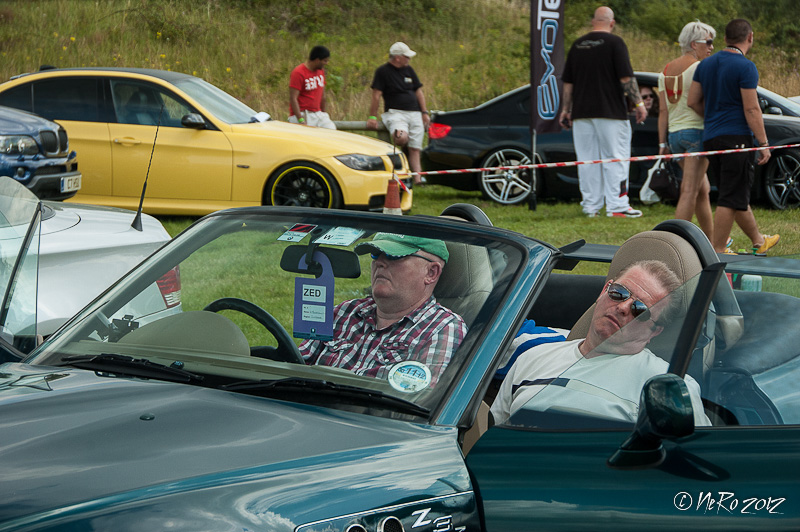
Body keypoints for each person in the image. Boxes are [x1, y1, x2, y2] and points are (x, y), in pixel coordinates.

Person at [490, 260, 710, 426]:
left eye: (640, 310)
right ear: (604, 290)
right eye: (619, 293)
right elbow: (492, 441)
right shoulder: (533, 357)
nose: (623, 308)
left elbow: (690, 461)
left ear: (655, 331)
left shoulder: (669, 388)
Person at [299, 233, 467, 388]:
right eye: (375, 255)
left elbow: (420, 401)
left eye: (394, 256)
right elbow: (296, 368)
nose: (379, 262)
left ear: (431, 273)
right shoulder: (343, 312)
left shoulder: (443, 328)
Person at [688, 19, 780, 255]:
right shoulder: (745, 66)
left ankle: (758, 242)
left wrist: (712, 118)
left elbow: (693, 101)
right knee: (730, 198)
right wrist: (763, 143)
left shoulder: (705, 65)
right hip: (737, 139)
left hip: (712, 138)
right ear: (750, 37)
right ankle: (718, 249)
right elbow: (751, 109)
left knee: (734, 193)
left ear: (725, 38)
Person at [559, 6, 647, 219]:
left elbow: (568, 83)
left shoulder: (577, 45)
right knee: (615, 158)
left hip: (582, 113)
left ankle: (591, 207)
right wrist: (639, 104)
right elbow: (626, 78)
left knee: (587, 161)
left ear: (593, 21)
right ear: (612, 23)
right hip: (610, 112)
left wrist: (566, 110)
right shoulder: (615, 43)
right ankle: (617, 206)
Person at [657, 21, 717, 242]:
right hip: (696, 133)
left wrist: (662, 143)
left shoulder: (665, 71)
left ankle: (711, 242)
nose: (711, 47)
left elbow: (663, 111)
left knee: (702, 190)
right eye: (708, 42)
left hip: (675, 136)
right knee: (690, 190)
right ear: (694, 44)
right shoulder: (700, 68)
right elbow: (706, 102)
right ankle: (675, 242)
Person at [367, 42, 429, 185]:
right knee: (400, 138)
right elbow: (376, 95)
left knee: (415, 147)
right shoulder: (382, 71)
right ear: (397, 58)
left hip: (414, 113)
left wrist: (424, 112)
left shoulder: (409, 70)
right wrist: (372, 116)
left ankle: (417, 178)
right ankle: (402, 164)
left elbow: (418, 91)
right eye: (406, 57)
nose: (409, 59)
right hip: (395, 113)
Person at [288, 45, 336, 129]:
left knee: (331, 130)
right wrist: (300, 119)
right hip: (303, 113)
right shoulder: (298, 72)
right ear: (317, 60)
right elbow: (293, 98)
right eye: (325, 61)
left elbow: (322, 95)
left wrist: (323, 112)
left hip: (318, 113)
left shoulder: (321, 71)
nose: (326, 63)